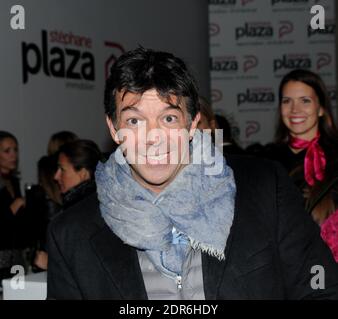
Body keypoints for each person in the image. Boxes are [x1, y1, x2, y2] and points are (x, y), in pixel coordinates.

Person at [47, 48, 338, 299]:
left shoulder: (263, 189)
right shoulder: (73, 234)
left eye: (169, 118)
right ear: (113, 128)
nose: (153, 137)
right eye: (134, 120)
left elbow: (321, 289)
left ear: (192, 123)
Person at [263, 69, 338, 261]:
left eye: (305, 100)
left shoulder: (335, 157)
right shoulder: (267, 159)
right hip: (281, 264)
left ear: (321, 108)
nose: (295, 109)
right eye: (287, 101)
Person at [36, 140, 102, 271]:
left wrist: (50, 263)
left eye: (62, 169)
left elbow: (90, 264)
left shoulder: (86, 212)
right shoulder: (94, 203)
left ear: (83, 173)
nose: (56, 176)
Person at [0, 131, 26, 285]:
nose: (13, 155)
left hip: (17, 257)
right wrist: (13, 207)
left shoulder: (14, 181)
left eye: (15, 150)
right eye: (7, 151)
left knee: (19, 293)